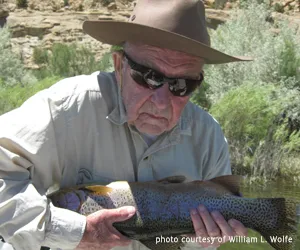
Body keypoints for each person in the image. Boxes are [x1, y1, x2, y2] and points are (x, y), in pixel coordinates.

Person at [0, 0, 252, 249]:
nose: (162, 102)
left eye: (182, 85)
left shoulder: (209, 137)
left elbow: (205, 236)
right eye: (150, 77)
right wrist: (73, 231)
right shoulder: (66, 108)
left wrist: (204, 241)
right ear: (119, 65)